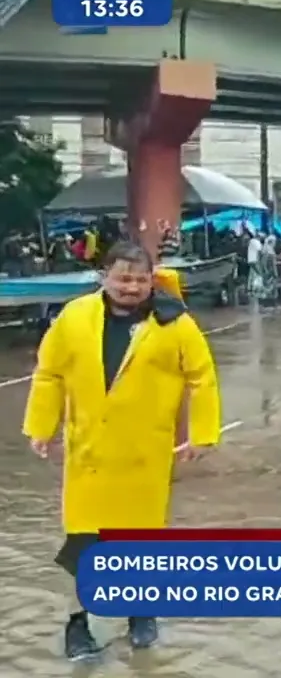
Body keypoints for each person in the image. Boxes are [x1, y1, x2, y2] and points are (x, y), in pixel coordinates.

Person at [24, 241, 221, 661]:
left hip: (143, 456)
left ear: (153, 280)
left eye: (140, 279)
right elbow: (49, 374)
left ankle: (141, 614)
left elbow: (202, 376)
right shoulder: (74, 317)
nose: (131, 287)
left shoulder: (174, 323)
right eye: (123, 278)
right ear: (104, 277)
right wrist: (41, 427)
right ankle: (79, 626)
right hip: (88, 454)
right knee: (82, 543)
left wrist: (203, 433)